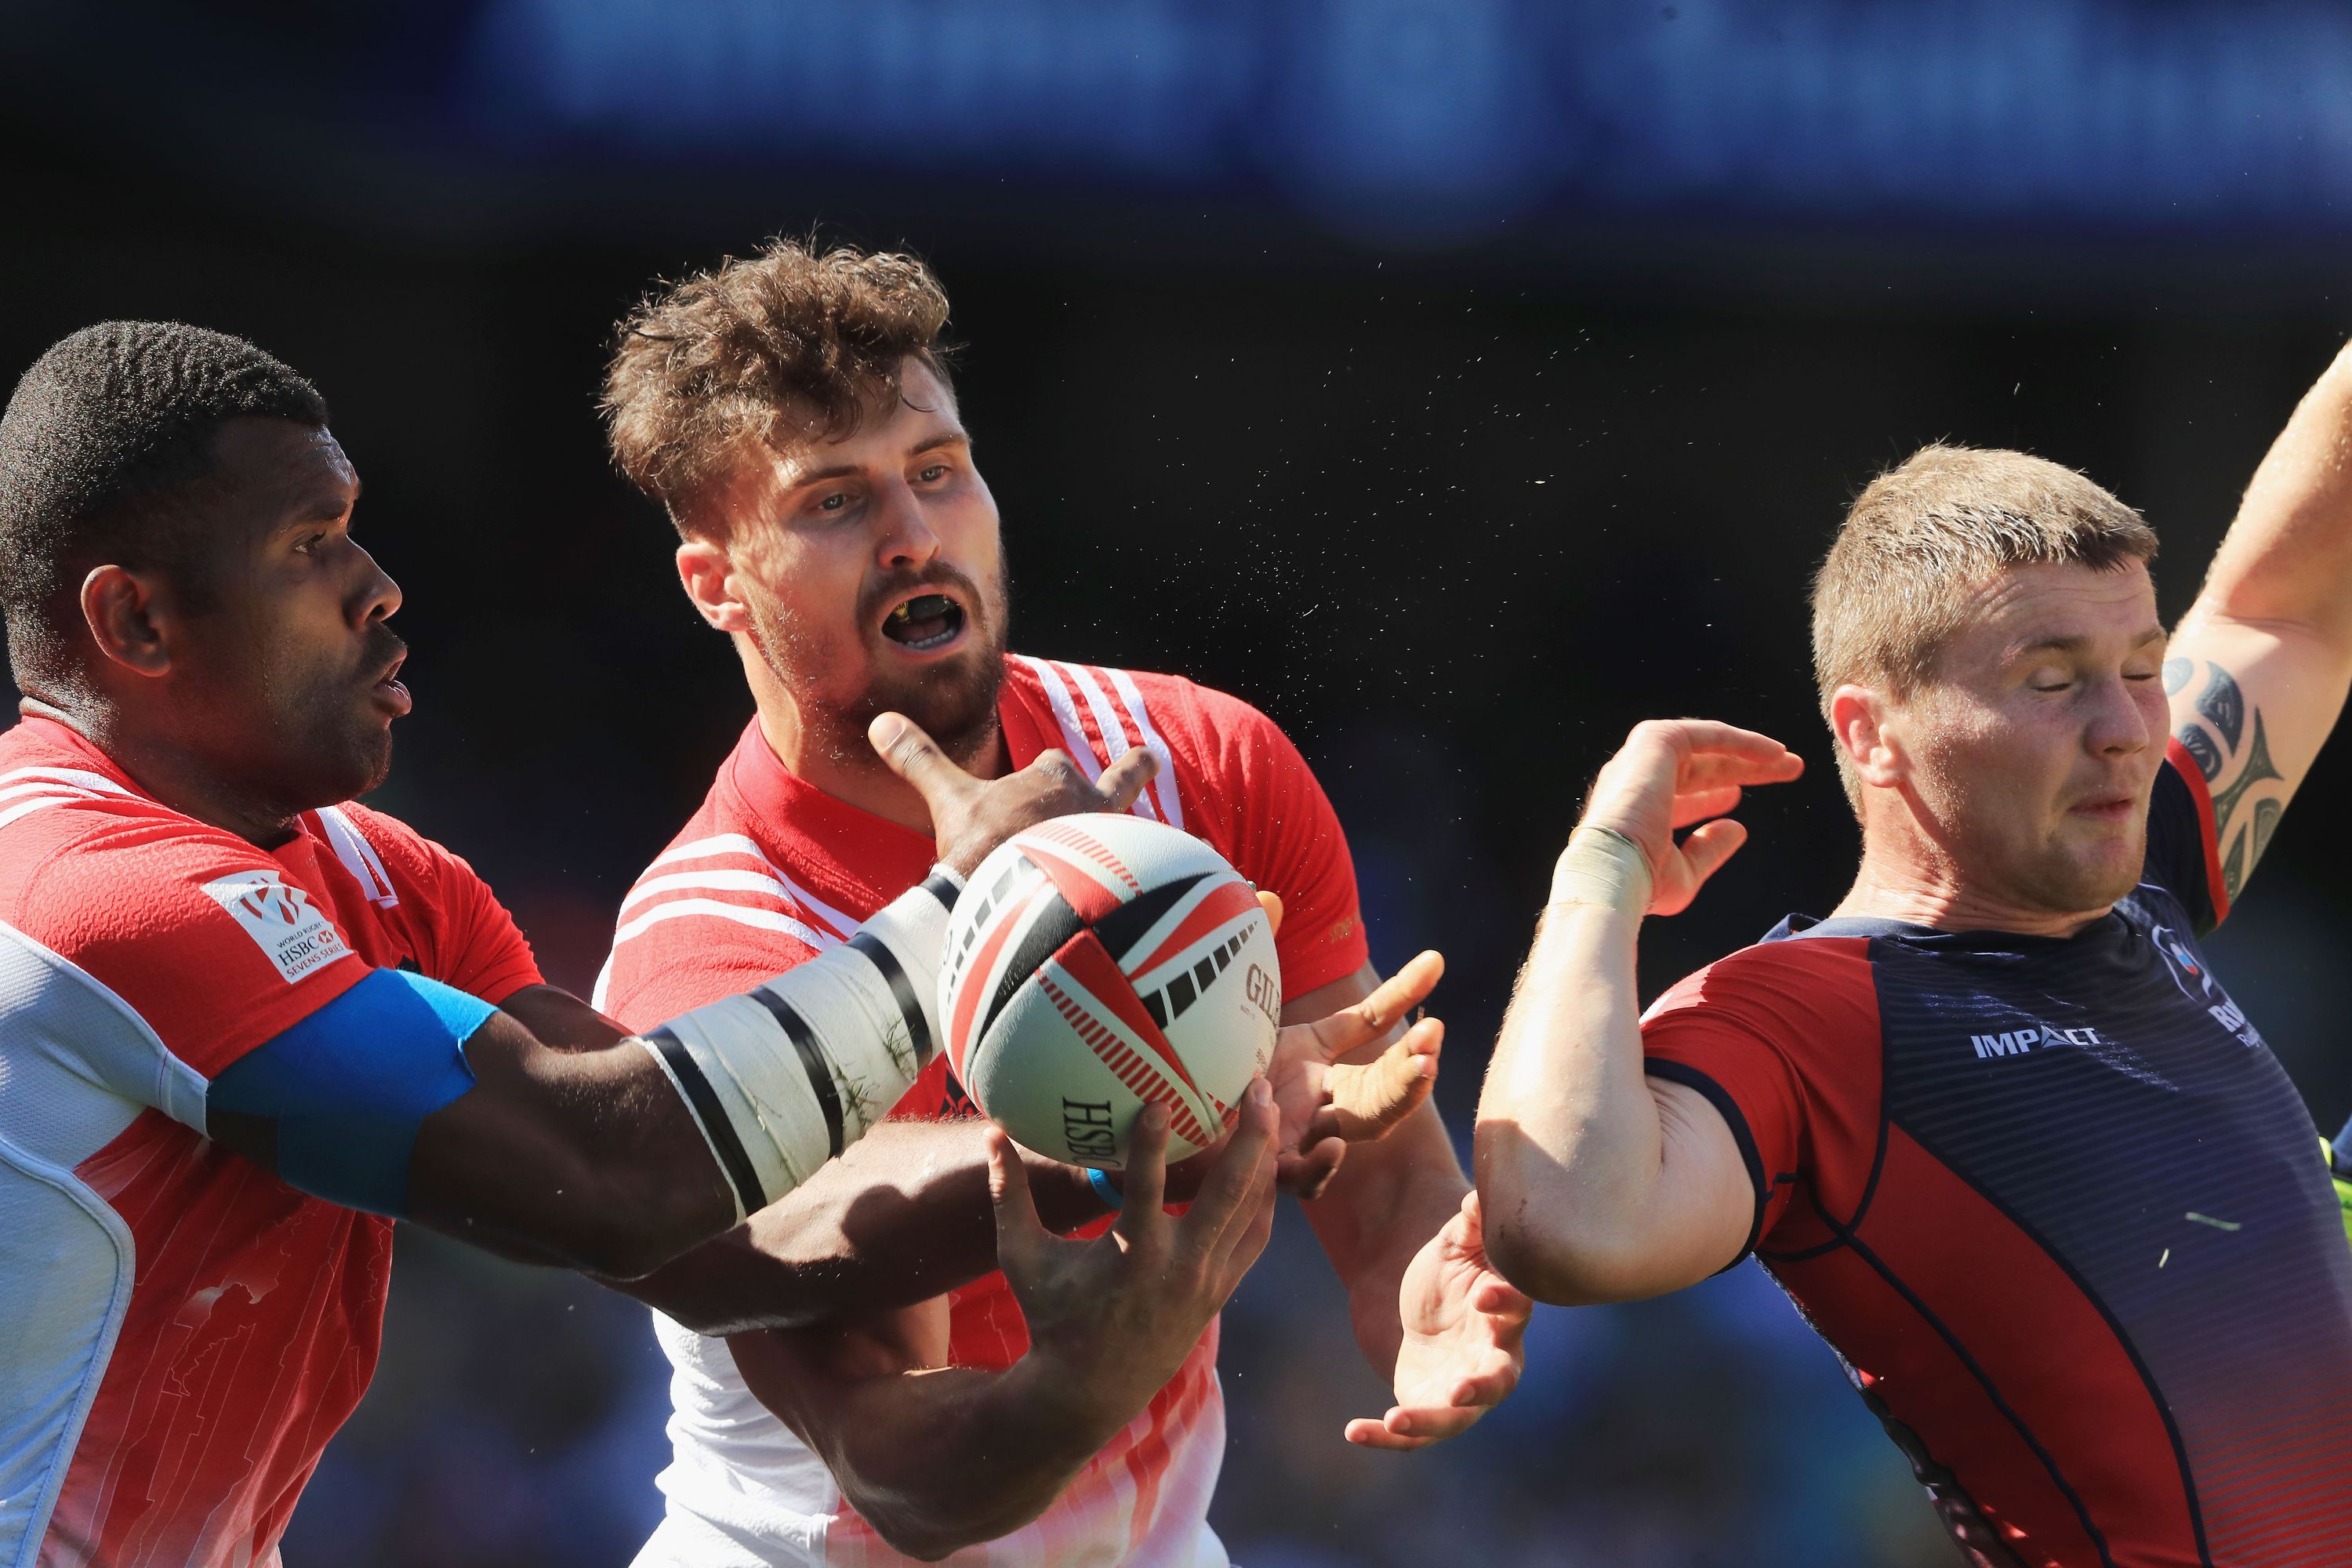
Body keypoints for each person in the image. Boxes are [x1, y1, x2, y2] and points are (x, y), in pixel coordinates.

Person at [0, 319, 1265, 1568]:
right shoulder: (74, 889)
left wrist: (1151, 1141)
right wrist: (969, 911)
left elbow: (710, 1229)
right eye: (309, 544)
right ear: (138, 622)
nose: (376, 583)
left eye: (354, 529)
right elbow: (610, 1178)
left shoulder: (381, 880)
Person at [594, 240, 1530, 1567]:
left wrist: (1421, 1297)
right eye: (835, 502)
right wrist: (1151, 1164)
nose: (914, 535)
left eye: (938, 471)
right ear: (718, 584)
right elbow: (909, 1479)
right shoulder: (715, 946)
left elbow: (1370, 1163)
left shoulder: (1200, 765)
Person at [1475, 345, 2352, 1566]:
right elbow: (1569, 1223)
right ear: (1870, 733)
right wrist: (1600, 875)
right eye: (2053, 680)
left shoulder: (2136, 875)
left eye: (2144, 669)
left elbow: (2284, 606)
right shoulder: (1800, 1020)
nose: (2125, 729)